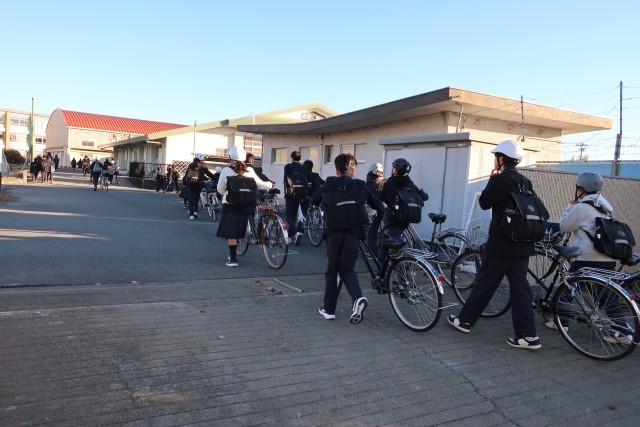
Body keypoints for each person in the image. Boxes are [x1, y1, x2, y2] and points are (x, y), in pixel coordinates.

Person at [448, 140, 541, 350]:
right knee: (521, 289)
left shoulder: (500, 179)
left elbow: (484, 203)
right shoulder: (525, 181)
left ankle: (465, 321)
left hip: (502, 244)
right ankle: (528, 336)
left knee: (485, 283)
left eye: (496, 156)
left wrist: (492, 180)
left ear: (501, 158)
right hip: (522, 244)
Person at [556, 172, 632, 342]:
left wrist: (570, 206)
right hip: (608, 256)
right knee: (606, 294)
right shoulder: (605, 207)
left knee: (567, 286)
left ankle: (562, 322)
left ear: (581, 188)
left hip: (587, 256)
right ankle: (623, 331)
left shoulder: (581, 207)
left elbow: (564, 226)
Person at [310, 153, 384, 323]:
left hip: (333, 233)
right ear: (353, 170)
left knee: (332, 271)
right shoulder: (360, 185)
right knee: (347, 270)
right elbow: (377, 205)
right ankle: (357, 298)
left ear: (337, 170)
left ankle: (329, 310)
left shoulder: (328, 184)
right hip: (353, 233)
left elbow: (313, 200)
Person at [216, 146, 272, 267]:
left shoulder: (226, 171)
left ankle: (233, 259)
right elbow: (260, 185)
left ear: (230, 157)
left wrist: (228, 192)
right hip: (247, 205)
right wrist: (269, 184)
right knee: (242, 227)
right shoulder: (249, 170)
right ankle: (254, 236)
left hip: (231, 205)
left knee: (231, 232)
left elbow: (220, 190)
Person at [377, 158, 428, 267]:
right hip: (406, 219)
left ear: (395, 170)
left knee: (388, 245)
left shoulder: (390, 182)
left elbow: (382, 197)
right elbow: (424, 196)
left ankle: (382, 271)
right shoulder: (409, 182)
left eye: (393, 167)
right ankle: (388, 270)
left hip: (394, 220)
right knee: (390, 243)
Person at [284, 151, 314, 246]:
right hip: (300, 193)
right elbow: (311, 177)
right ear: (300, 158)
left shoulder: (288, 167)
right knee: (294, 214)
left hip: (290, 193)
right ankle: (290, 237)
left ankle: (295, 232)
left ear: (292, 158)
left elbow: (285, 179)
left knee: (289, 216)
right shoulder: (303, 167)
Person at [185, 155, 215, 220]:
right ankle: (195, 212)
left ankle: (192, 214)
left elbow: (187, 175)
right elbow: (209, 174)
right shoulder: (202, 167)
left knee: (191, 199)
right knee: (196, 199)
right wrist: (215, 178)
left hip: (191, 185)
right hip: (198, 185)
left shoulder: (191, 165)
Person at [365, 162, 386, 255]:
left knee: (371, 231)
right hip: (386, 208)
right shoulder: (385, 181)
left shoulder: (368, 182)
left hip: (374, 210)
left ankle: (372, 253)